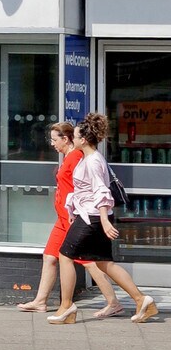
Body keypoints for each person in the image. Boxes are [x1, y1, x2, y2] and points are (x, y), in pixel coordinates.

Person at [50, 114, 159, 325]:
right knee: (104, 262)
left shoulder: (92, 161)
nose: (73, 139)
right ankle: (142, 300)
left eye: (75, 136)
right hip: (91, 215)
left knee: (65, 255)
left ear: (83, 139)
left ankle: (66, 307)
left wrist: (104, 220)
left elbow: (101, 192)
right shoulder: (90, 158)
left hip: (91, 217)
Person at [17, 122, 85, 314]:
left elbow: (81, 186)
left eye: (54, 139)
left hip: (70, 218)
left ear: (66, 139)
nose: (52, 143)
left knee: (90, 261)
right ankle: (40, 301)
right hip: (62, 218)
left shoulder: (76, 157)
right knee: (49, 257)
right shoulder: (68, 157)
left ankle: (118, 300)